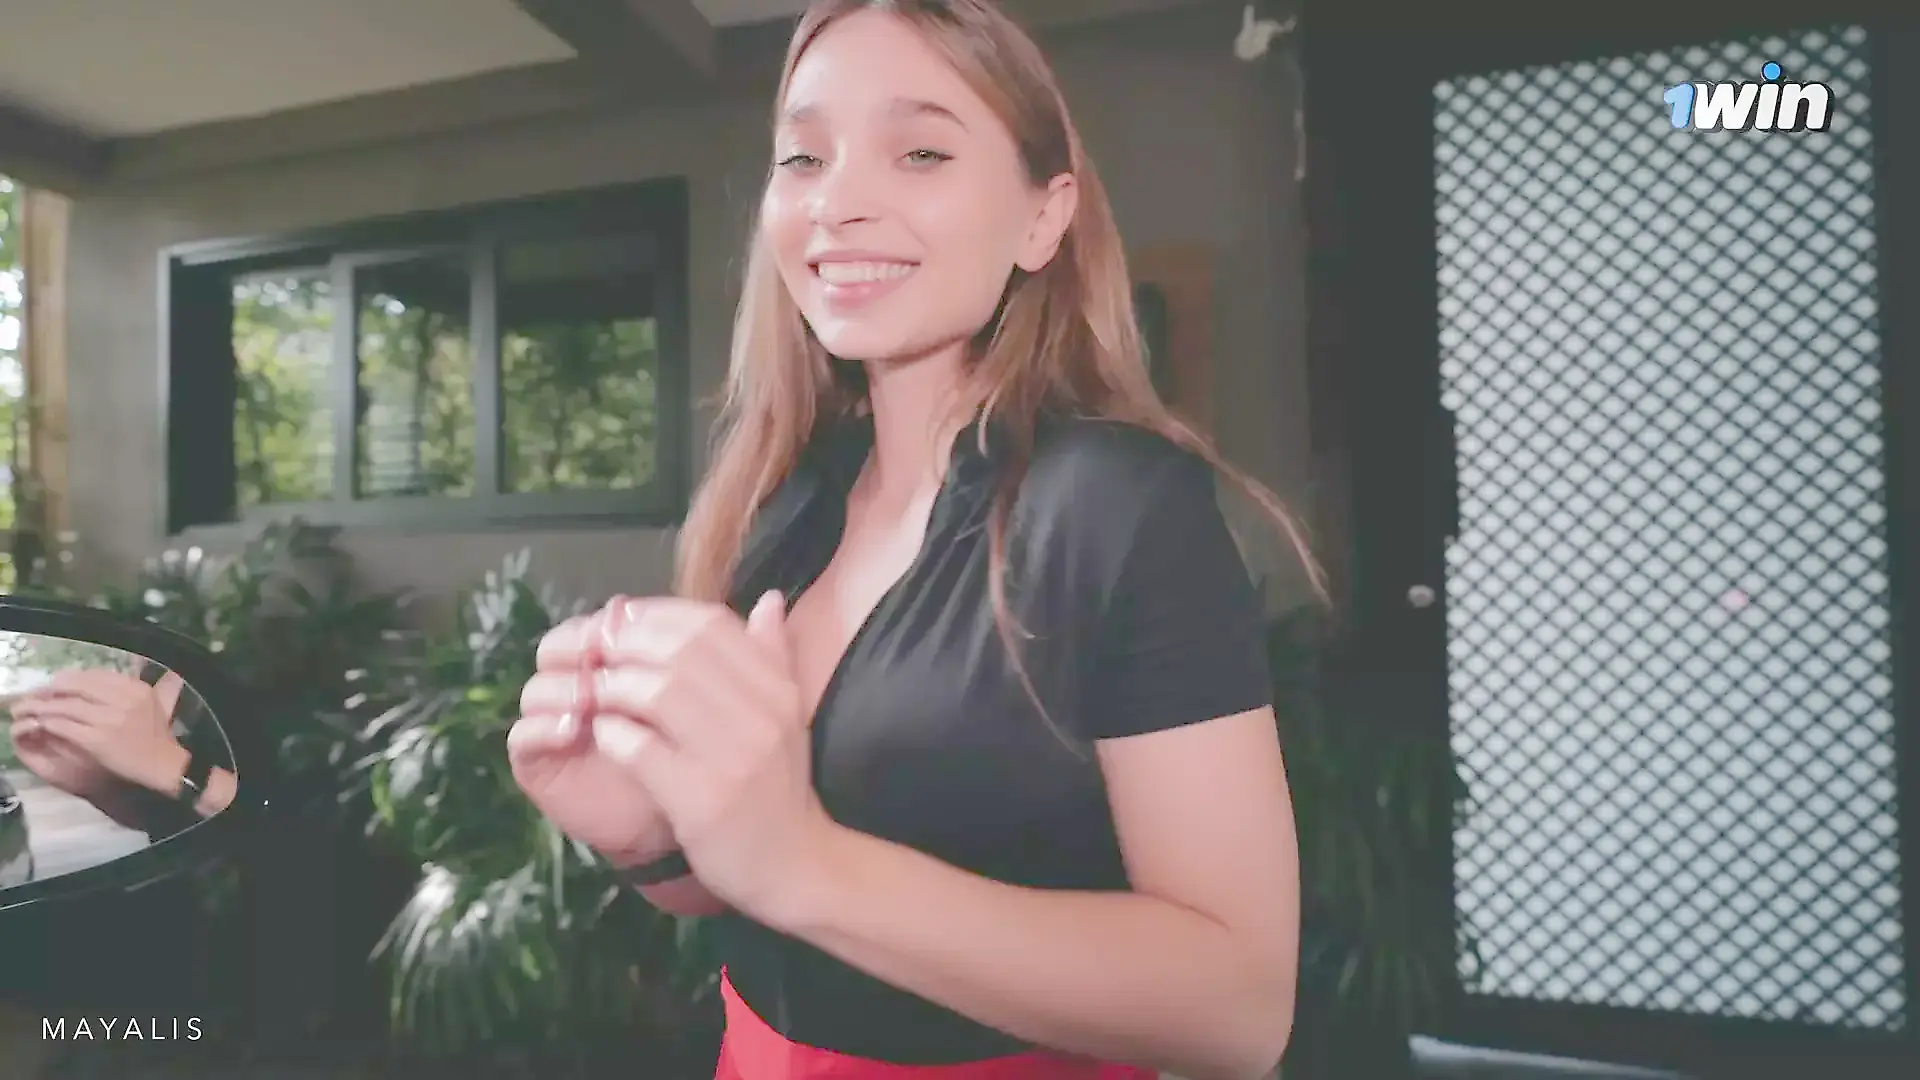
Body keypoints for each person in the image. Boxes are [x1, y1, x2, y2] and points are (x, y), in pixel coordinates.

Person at [509, 2, 1308, 1078]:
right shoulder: (783, 510)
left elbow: (1239, 1011)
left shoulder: (1116, 507)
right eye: (804, 157)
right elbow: (752, 897)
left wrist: (806, 864)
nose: (837, 201)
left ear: (1042, 218)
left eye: (921, 151)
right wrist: (646, 840)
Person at [8, 660, 236, 846]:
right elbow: (163, 821)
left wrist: (171, 766)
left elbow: (258, 821)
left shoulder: (243, 669)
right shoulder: (155, 674)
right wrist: (98, 787)